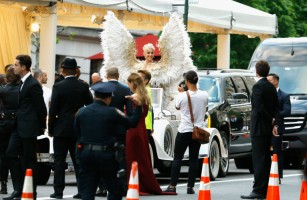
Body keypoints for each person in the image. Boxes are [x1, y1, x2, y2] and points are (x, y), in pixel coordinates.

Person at [74, 81, 142, 200]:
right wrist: (138, 107)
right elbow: (131, 123)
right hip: (105, 155)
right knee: (114, 189)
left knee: (88, 191)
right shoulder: (112, 112)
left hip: (86, 154)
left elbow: (77, 133)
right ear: (108, 98)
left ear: (95, 96)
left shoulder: (82, 112)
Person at [48, 58, 93, 199]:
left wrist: (50, 129)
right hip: (78, 128)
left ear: (62, 70)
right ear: (75, 70)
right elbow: (90, 105)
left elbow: (53, 110)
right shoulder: (83, 86)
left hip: (61, 129)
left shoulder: (58, 86)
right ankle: (82, 190)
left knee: (59, 161)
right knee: (78, 160)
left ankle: (58, 191)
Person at [4, 55, 47, 200]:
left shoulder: (33, 84)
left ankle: (31, 191)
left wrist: (41, 127)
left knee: (29, 161)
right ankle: (18, 189)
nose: (13, 67)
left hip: (29, 128)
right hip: (18, 126)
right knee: (10, 154)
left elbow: (41, 108)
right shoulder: (23, 82)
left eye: (16, 65)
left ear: (23, 67)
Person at [125, 73, 175, 195]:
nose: (128, 85)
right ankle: (143, 183)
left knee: (132, 157)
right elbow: (146, 114)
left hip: (134, 131)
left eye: (129, 83)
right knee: (143, 158)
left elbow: (132, 117)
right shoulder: (145, 97)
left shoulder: (134, 98)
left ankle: (136, 183)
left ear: (133, 84)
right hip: (142, 129)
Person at [164, 70, 208, 194]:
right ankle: (191, 187)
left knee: (177, 157)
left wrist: (181, 92)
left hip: (184, 130)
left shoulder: (182, 96)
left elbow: (177, 107)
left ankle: (172, 186)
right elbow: (205, 105)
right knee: (194, 159)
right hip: (197, 131)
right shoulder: (204, 94)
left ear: (186, 82)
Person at [241, 60, 280, 199]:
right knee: (265, 158)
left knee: (258, 159)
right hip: (268, 128)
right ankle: (263, 189)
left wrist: (268, 118)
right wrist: (274, 123)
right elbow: (277, 107)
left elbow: (258, 107)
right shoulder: (271, 87)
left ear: (256, 71)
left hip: (259, 127)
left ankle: (257, 190)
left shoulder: (258, 87)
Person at [95, 67, 132, 197]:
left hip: (102, 127)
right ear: (118, 75)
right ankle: (122, 187)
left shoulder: (100, 87)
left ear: (106, 74)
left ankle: (102, 187)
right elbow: (129, 111)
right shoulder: (125, 89)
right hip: (119, 128)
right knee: (121, 158)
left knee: (102, 155)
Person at [267, 73, 291, 183]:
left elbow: (287, 111)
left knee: (277, 152)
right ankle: (265, 176)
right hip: (265, 127)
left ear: (276, 81)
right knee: (264, 153)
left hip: (278, 127)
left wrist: (275, 117)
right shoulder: (265, 95)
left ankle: (278, 176)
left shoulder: (284, 96)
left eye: (270, 80)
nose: (268, 83)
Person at [0, 66, 20, 195]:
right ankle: (18, 186)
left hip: (4, 123)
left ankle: (3, 183)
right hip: (18, 123)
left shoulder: (3, 90)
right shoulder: (22, 89)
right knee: (15, 155)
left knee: (3, 155)